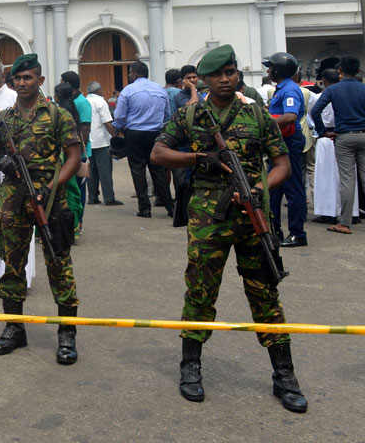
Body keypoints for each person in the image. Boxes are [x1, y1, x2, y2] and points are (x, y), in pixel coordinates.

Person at [150, 44, 307, 413]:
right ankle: (191, 367)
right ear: (203, 80)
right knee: (201, 291)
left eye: (231, 72)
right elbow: (158, 153)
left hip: (254, 217)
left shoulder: (256, 114)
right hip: (208, 222)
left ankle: (284, 376)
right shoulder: (190, 115)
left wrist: (259, 188)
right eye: (217, 74)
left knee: (265, 293)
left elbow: (282, 164)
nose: (225, 79)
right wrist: (199, 158)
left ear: (238, 74)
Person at [0, 54, 81, 364]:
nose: (23, 83)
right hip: (13, 196)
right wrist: (1, 162)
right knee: (12, 264)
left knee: (58, 262)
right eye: (18, 78)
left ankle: (67, 333)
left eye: (29, 78)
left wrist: (51, 188)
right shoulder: (5, 118)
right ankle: (14, 327)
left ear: (39, 81)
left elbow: (73, 158)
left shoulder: (57, 115)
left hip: (51, 197)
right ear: (12, 82)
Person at [0, 59, 35, 287]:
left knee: (11, 219)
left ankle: (15, 275)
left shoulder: (12, 97)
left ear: (3, 76)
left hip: (8, 163)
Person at [311, 55, 365, 235]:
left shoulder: (333, 90)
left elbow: (316, 110)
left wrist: (323, 131)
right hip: (363, 134)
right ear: (358, 71)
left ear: (340, 71)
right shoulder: (363, 88)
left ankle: (345, 223)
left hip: (343, 137)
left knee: (347, 180)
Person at [112, 61, 173, 218]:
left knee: (138, 169)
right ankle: (170, 207)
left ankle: (144, 208)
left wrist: (118, 128)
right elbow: (167, 114)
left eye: (130, 73)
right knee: (158, 169)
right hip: (155, 133)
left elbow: (119, 116)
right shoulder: (160, 90)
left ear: (135, 73)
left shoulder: (128, 91)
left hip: (135, 133)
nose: (129, 76)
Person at [263, 52, 307, 247]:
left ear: (279, 69)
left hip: (289, 141)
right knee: (273, 187)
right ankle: (275, 231)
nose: (268, 71)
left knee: (293, 187)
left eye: (271, 67)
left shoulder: (289, 89)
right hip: (280, 141)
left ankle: (298, 233)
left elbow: (289, 116)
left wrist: (265, 125)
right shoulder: (282, 89)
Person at [60, 71, 91, 227]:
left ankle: (78, 221)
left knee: (78, 189)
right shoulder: (70, 102)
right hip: (68, 154)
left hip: (78, 153)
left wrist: (77, 153)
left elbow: (85, 129)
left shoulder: (82, 103)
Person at [85, 82, 120, 206]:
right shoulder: (101, 102)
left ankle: (93, 197)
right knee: (104, 170)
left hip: (88, 141)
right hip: (101, 141)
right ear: (98, 90)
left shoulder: (85, 101)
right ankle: (109, 197)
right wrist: (115, 136)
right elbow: (107, 122)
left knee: (91, 171)